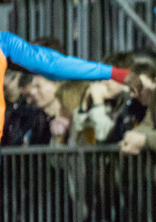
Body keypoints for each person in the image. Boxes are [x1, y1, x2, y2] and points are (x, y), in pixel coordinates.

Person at [0, 32, 129, 147]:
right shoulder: (4, 43)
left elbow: (53, 66)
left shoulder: (4, 43)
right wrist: (113, 73)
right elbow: (53, 66)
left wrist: (113, 73)